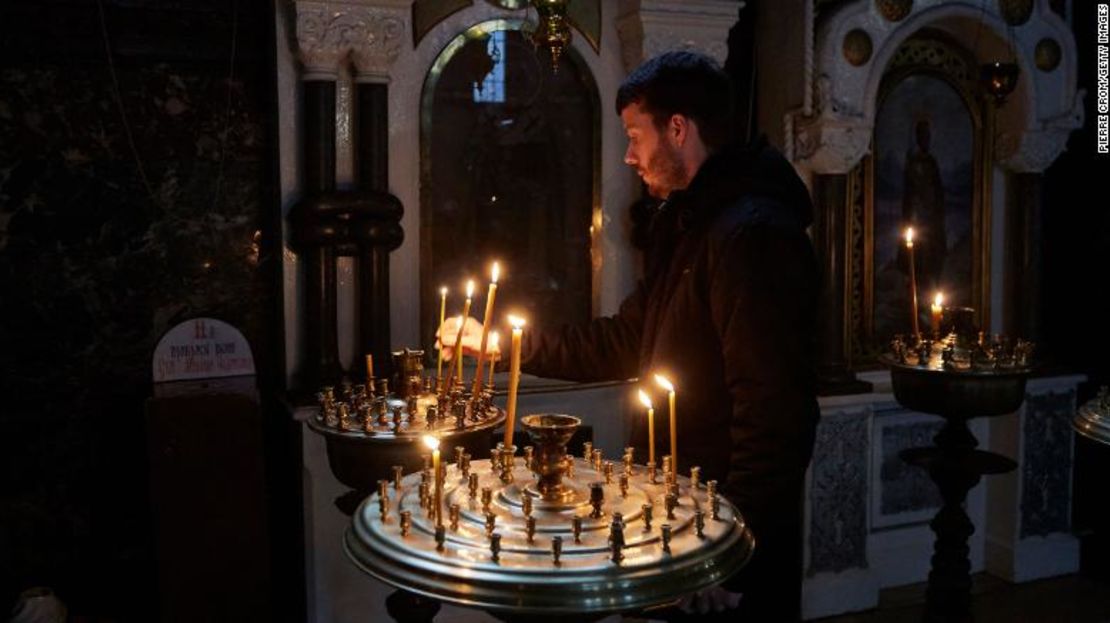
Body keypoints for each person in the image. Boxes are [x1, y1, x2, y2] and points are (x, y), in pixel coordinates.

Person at [440, 51, 819, 621]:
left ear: (677, 128)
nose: (629, 154)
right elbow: (623, 340)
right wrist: (500, 344)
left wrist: (731, 558)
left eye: (635, 134)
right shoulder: (694, 226)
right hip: (679, 517)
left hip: (721, 548)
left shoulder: (753, 236)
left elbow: (775, 416)